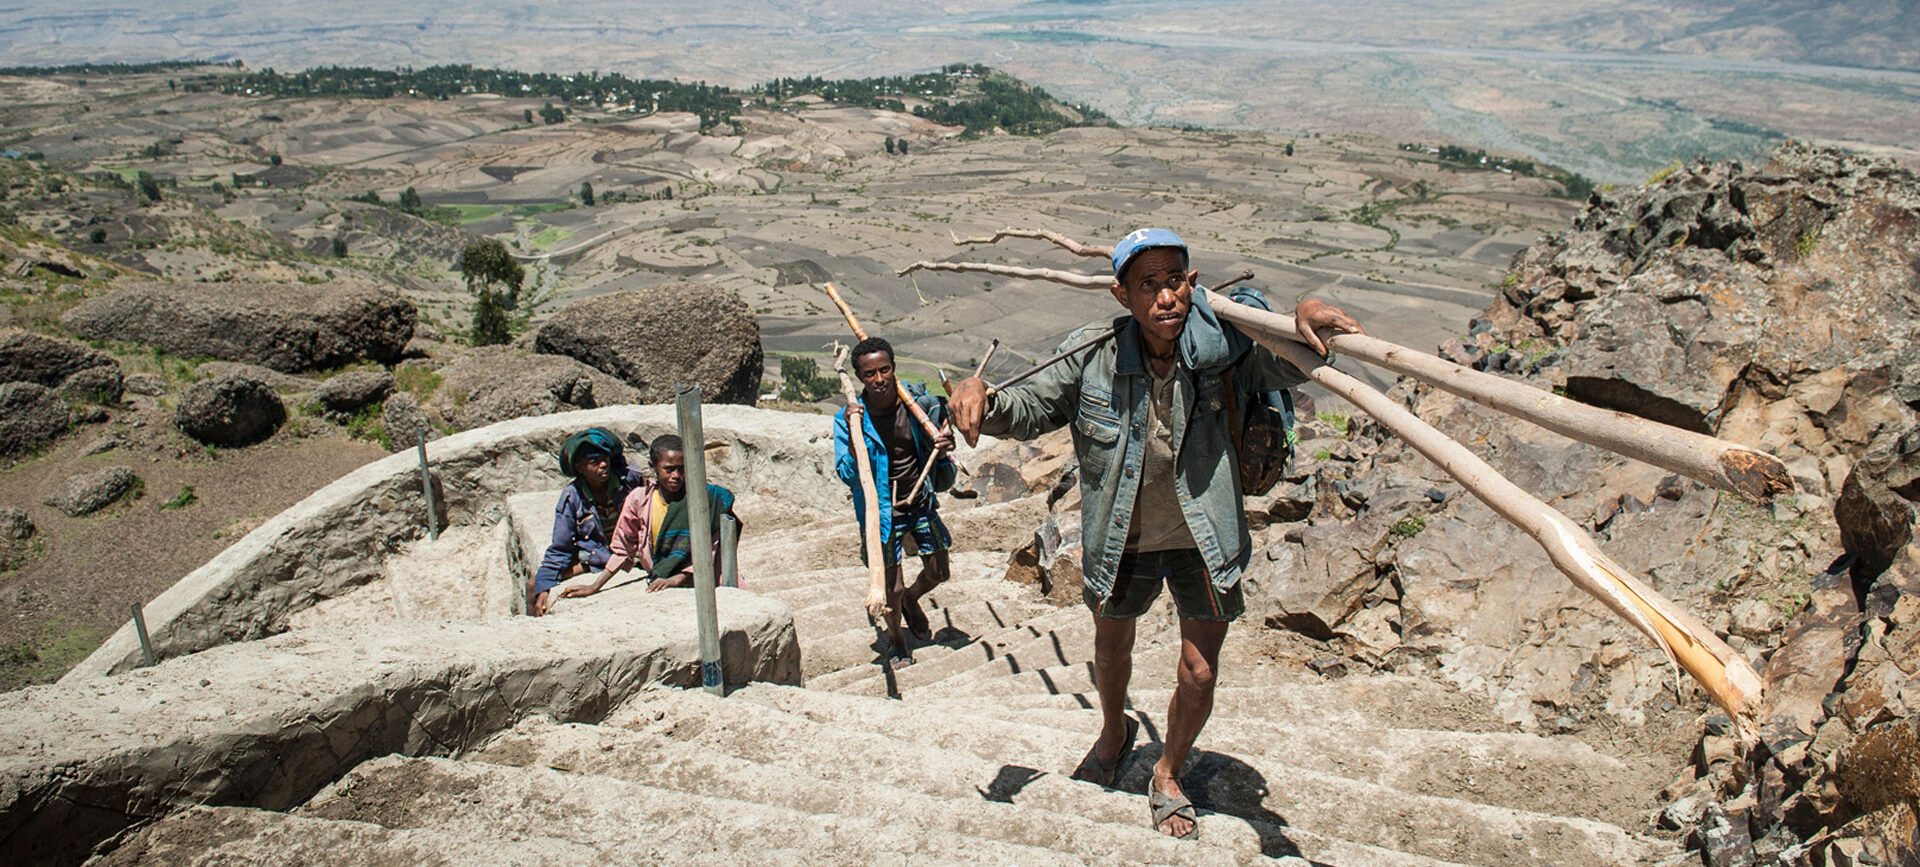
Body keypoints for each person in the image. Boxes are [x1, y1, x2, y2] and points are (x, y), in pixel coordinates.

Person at [947, 228, 1362, 840]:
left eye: (1175, 281)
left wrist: (1295, 319)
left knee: (1199, 672)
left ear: (1192, 284)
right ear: (1122, 295)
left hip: (1205, 536)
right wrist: (981, 396)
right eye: (1149, 285)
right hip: (1126, 538)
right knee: (1112, 650)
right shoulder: (1090, 355)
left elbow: (1290, 359)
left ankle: (1168, 772)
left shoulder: (1227, 345)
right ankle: (1114, 733)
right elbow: (1030, 407)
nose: (1166, 297)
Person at [832, 336, 958, 671]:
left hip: (919, 499)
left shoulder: (920, 407)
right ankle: (898, 642)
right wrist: (854, 433)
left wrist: (945, 443)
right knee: (891, 586)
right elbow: (847, 472)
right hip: (881, 510)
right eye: (869, 374)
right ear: (860, 377)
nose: (878, 380)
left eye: (884, 370)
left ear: (893, 368)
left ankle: (913, 601)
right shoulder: (849, 418)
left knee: (939, 571)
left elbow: (944, 438)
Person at [556, 434, 740, 603]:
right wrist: (595, 586)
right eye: (669, 469)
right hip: (659, 573)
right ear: (653, 467)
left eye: (681, 469)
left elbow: (712, 547)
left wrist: (679, 578)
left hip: (704, 577)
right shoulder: (639, 499)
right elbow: (623, 549)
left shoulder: (705, 499)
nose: (676, 476)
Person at [529, 427, 646, 616]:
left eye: (605, 458)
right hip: (596, 556)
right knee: (534, 585)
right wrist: (545, 585)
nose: (603, 465)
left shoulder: (629, 480)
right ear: (579, 468)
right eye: (594, 461)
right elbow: (561, 546)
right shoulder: (572, 498)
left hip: (634, 553)